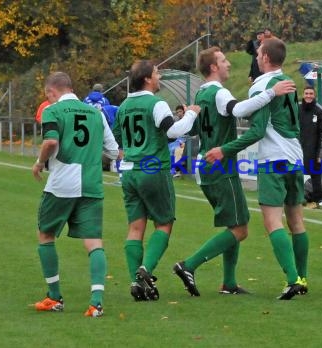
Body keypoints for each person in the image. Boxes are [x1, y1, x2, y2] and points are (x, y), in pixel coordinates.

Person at [171, 46, 295, 296]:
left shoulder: (201, 94)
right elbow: (238, 110)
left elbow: (194, 130)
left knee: (233, 224)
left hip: (206, 168)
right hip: (220, 167)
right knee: (240, 229)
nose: (229, 64)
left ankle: (228, 283)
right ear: (214, 67)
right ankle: (188, 265)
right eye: (224, 60)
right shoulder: (218, 92)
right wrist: (272, 91)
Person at [205, 38, 308, 300]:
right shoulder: (287, 82)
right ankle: (302, 278)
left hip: (273, 159)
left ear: (263, 58)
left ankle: (292, 279)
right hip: (295, 156)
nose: (257, 56)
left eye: (258, 53)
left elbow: (257, 131)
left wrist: (224, 150)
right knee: (296, 221)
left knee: (273, 222)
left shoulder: (261, 86)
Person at [32, 71, 119, 317]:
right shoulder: (97, 113)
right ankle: (96, 303)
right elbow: (113, 151)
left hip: (62, 184)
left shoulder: (52, 111)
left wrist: (39, 163)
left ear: (51, 92)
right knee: (93, 242)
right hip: (91, 183)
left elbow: (50, 143)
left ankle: (55, 297)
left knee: (46, 234)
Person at [112, 60, 201, 301]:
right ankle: (145, 271)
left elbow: (118, 139)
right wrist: (191, 113)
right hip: (152, 169)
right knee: (164, 223)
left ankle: (136, 281)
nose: (159, 77)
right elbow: (173, 131)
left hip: (129, 171)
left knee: (135, 228)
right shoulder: (156, 103)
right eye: (157, 73)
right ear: (147, 78)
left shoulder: (123, 106)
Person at [299, 85, 322, 208]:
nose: (308, 96)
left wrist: (320, 154)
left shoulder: (320, 110)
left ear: (314, 95)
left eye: (311, 94)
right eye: (306, 93)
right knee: (295, 174)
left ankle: (318, 199)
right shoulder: (297, 108)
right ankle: (298, 198)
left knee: (316, 174)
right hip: (298, 149)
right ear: (303, 95)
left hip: (314, 149)